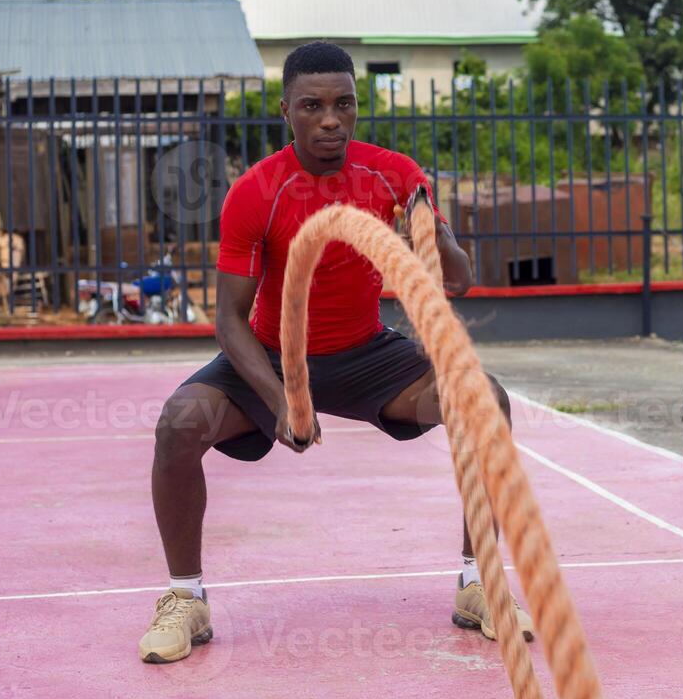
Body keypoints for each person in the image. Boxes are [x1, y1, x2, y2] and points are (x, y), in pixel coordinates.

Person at [139, 42, 533, 664]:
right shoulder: (255, 192)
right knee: (179, 423)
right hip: (272, 355)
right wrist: (285, 398)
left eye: (344, 104)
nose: (330, 119)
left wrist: (431, 223)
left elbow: (455, 279)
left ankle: (477, 583)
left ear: (355, 108)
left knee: (488, 402)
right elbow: (229, 322)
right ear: (286, 111)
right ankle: (185, 597)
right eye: (313, 105)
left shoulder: (393, 173)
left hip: (367, 354)